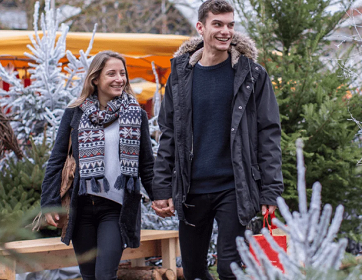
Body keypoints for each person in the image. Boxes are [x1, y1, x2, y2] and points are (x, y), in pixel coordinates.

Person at [151, 0, 284, 279]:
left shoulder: (252, 75)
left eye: (230, 25)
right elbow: (169, 135)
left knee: (229, 268)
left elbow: (269, 134)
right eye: (218, 24)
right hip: (192, 189)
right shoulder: (180, 76)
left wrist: (270, 190)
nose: (226, 31)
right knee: (195, 270)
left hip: (234, 187)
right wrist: (162, 188)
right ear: (201, 27)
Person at [40, 51, 154, 280]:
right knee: (89, 275)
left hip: (115, 209)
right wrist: (49, 202)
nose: (119, 79)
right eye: (111, 73)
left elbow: (147, 166)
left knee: (104, 274)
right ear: (95, 79)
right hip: (81, 208)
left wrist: (161, 197)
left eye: (123, 73)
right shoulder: (75, 113)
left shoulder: (135, 115)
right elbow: (57, 159)